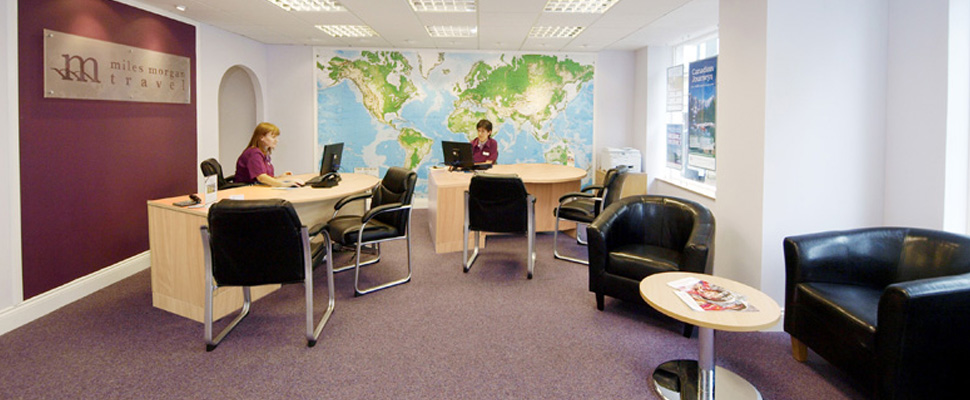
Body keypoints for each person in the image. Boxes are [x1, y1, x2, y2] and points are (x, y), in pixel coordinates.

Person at [235, 122, 303, 187]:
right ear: (262, 137)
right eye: (273, 137)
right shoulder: (254, 153)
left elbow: (265, 177)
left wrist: (279, 177)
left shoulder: (263, 154)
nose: (276, 140)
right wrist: (283, 184)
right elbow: (261, 178)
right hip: (247, 189)